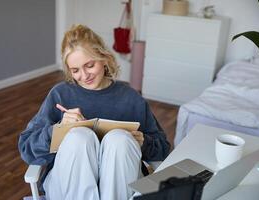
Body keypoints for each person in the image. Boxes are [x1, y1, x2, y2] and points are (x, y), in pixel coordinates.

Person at [18, 24, 170, 200]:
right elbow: (26, 148)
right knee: (78, 136)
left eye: (89, 65)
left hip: (120, 186)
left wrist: (144, 142)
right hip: (67, 186)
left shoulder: (131, 98)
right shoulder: (60, 94)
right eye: (75, 70)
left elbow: (163, 148)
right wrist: (56, 130)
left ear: (104, 58)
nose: (84, 75)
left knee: (119, 139)